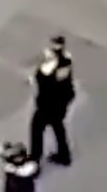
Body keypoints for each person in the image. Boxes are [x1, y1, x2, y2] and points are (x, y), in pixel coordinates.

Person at [29, 35, 75, 165]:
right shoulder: (67, 59)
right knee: (58, 126)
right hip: (62, 101)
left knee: (36, 128)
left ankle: (35, 159)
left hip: (47, 103)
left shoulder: (49, 66)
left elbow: (42, 78)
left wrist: (42, 69)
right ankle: (64, 155)